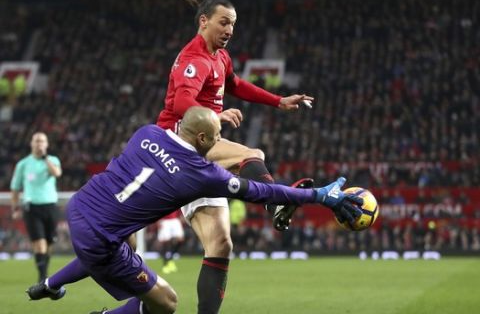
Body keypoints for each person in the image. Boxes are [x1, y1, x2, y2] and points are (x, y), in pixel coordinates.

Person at [26, 106, 363, 314]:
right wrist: (319, 195)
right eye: (215, 138)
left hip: (81, 205)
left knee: (118, 243)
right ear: (202, 139)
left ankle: (51, 284)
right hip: (99, 236)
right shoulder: (202, 175)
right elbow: (261, 191)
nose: (218, 144)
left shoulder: (147, 133)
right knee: (165, 303)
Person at [156, 0, 314, 312]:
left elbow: (236, 84)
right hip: (178, 143)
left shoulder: (220, 57)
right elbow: (180, 104)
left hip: (199, 148)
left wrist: (278, 100)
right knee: (250, 153)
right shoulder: (194, 58)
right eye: (223, 22)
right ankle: (276, 202)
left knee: (220, 244)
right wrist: (214, 117)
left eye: (233, 24)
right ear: (204, 21)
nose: (229, 29)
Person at [10, 132, 62, 282]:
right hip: (31, 208)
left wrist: (45, 158)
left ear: (46, 145)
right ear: (31, 144)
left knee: (49, 242)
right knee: (39, 243)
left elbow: (57, 173)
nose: (39, 144)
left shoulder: (53, 160)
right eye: (36, 141)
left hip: (51, 206)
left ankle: (44, 271)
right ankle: (42, 277)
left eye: (42, 141)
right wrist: (15, 208)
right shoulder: (23, 164)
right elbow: (15, 187)